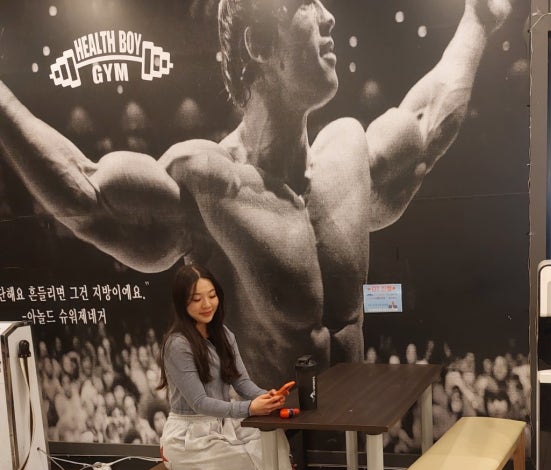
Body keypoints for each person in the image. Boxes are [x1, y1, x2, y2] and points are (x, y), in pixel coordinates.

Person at [0, 0, 512, 390]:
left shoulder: (347, 154)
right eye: (306, 4)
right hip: (263, 449)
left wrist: (477, 22)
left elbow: (426, 127)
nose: (329, 16)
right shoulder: (209, 183)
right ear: (259, 45)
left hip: (353, 440)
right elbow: (88, 198)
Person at [157, 263, 324, 470]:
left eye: (211, 295)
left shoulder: (223, 334)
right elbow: (200, 403)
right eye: (196, 299)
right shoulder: (177, 344)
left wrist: (266, 396)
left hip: (221, 429)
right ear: (182, 302)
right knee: (255, 463)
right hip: (186, 441)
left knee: (270, 441)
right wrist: (249, 408)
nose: (206, 304)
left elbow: (242, 383)